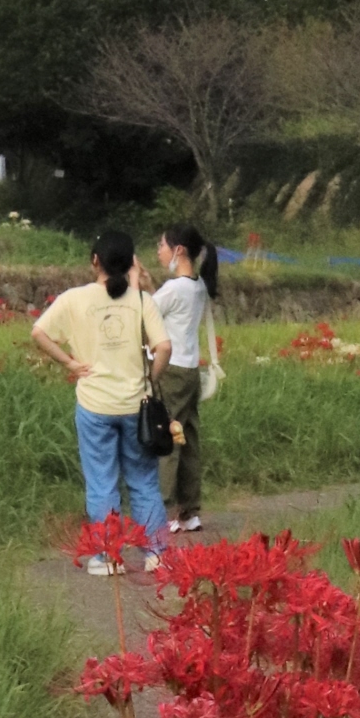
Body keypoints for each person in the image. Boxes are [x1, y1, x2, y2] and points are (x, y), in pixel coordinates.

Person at [31, 228, 171, 574]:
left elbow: (39, 332)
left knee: (102, 483)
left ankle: (108, 556)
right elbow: (164, 347)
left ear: (95, 261)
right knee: (143, 481)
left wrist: (69, 364)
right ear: (130, 263)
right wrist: (150, 379)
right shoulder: (142, 301)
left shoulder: (74, 299)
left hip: (94, 405)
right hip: (136, 406)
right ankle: (157, 554)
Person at [151, 221, 222, 532]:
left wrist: (138, 284)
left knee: (168, 437)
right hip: (191, 370)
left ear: (178, 250)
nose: (158, 251)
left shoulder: (173, 289)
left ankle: (166, 511)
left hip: (172, 371)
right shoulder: (197, 286)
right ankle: (190, 511)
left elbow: (146, 314)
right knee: (189, 439)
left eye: (162, 245)